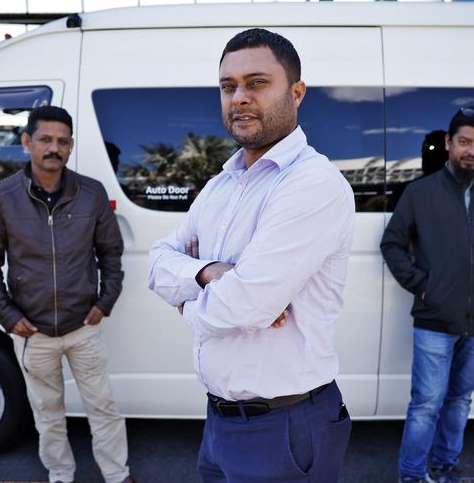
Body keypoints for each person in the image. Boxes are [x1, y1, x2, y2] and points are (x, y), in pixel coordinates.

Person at [148, 28, 355, 483]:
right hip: (220, 421)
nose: (239, 97)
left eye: (257, 82)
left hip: (284, 425)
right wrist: (208, 274)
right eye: (228, 86)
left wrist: (185, 299)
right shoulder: (222, 184)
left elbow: (245, 305)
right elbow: (156, 260)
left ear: (296, 92)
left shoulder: (311, 183)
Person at [0, 106, 134, 483]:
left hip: (83, 327)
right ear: (27, 142)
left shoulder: (90, 193)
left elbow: (111, 252)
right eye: (45, 139)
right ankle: (60, 475)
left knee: (103, 407)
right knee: (47, 411)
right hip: (34, 333)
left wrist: (104, 302)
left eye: (62, 141)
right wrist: (10, 317)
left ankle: (117, 474)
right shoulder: (1, 198)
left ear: (71, 146)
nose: (54, 148)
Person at [381, 107, 474, 483]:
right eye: (464, 142)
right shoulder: (419, 193)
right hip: (434, 319)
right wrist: (423, 286)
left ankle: (446, 467)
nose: (472, 151)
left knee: (461, 400)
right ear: (448, 143)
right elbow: (393, 244)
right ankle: (412, 475)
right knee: (426, 404)